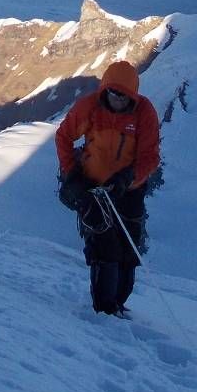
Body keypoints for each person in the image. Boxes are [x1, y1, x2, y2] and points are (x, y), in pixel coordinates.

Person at [56, 60, 160, 316]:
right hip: (93, 189)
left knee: (128, 251)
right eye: (113, 93)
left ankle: (118, 304)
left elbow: (150, 156)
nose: (117, 99)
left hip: (128, 191)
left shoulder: (144, 112)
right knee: (105, 249)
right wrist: (72, 175)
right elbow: (64, 136)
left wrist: (127, 178)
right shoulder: (90, 107)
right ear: (105, 91)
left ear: (132, 96)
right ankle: (104, 310)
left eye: (123, 96)